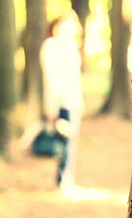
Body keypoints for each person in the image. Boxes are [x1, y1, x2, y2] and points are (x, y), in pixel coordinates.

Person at [40, 10, 84, 190]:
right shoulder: (51, 46)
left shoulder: (70, 47)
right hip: (61, 102)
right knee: (65, 143)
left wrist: (81, 100)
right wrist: (51, 104)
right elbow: (50, 78)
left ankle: (66, 179)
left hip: (74, 101)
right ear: (55, 27)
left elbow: (75, 78)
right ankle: (63, 180)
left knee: (71, 142)